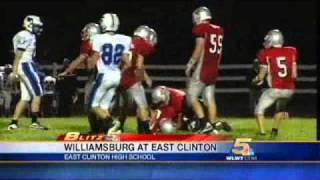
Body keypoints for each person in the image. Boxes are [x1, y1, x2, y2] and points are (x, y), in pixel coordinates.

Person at [185, 7, 231, 134]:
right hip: (213, 68)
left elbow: (199, 47)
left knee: (191, 96)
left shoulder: (201, 29)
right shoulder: (218, 29)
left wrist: (190, 63)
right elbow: (219, 52)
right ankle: (212, 126)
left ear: (199, 16)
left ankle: (204, 123)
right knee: (209, 98)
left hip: (203, 67)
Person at [87, 13, 131, 135]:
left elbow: (92, 62)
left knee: (93, 105)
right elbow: (127, 63)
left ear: (103, 23)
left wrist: (89, 61)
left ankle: (112, 123)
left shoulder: (98, 38)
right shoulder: (124, 39)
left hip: (104, 75)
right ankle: (110, 130)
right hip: (116, 75)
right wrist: (118, 72)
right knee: (104, 106)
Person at [253, 29, 297, 138]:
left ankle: (262, 133)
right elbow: (294, 74)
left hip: (275, 89)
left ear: (272, 39)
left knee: (259, 110)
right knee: (280, 108)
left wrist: (256, 79)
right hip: (289, 89)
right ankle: (274, 132)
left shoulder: (265, 53)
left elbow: (261, 76)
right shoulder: (291, 51)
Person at [58, 23, 100, 132]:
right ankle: (102, 127)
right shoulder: (105, 41)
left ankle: (98, 128)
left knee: (89, 103)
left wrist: (67, 71)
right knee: (102, 104)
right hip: (108, 75)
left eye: (86, 32)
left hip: (96, 76)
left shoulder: (89, 43)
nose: (84, 34)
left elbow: (82, 58)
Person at [8, 15, 48, 130]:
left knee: (25, 97)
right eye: (36, 26)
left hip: (24, 65)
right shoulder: (26, 35)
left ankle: (13, 123)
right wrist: (14, 71)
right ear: (29, 25)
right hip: (25, 65)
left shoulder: (23, 35)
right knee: (38, 93)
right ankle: (34, 123)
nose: (39, 29)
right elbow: (19, 55)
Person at [118, 25, 157, 134]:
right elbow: (139, 65)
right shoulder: (142, 44)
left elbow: (137, 64)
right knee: (142, 105)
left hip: (118, 76)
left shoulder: (126, 41)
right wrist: (140, 80)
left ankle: (118, 126)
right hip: (130, 78)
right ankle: (146, 133)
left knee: (124, 105)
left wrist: (146, 77)